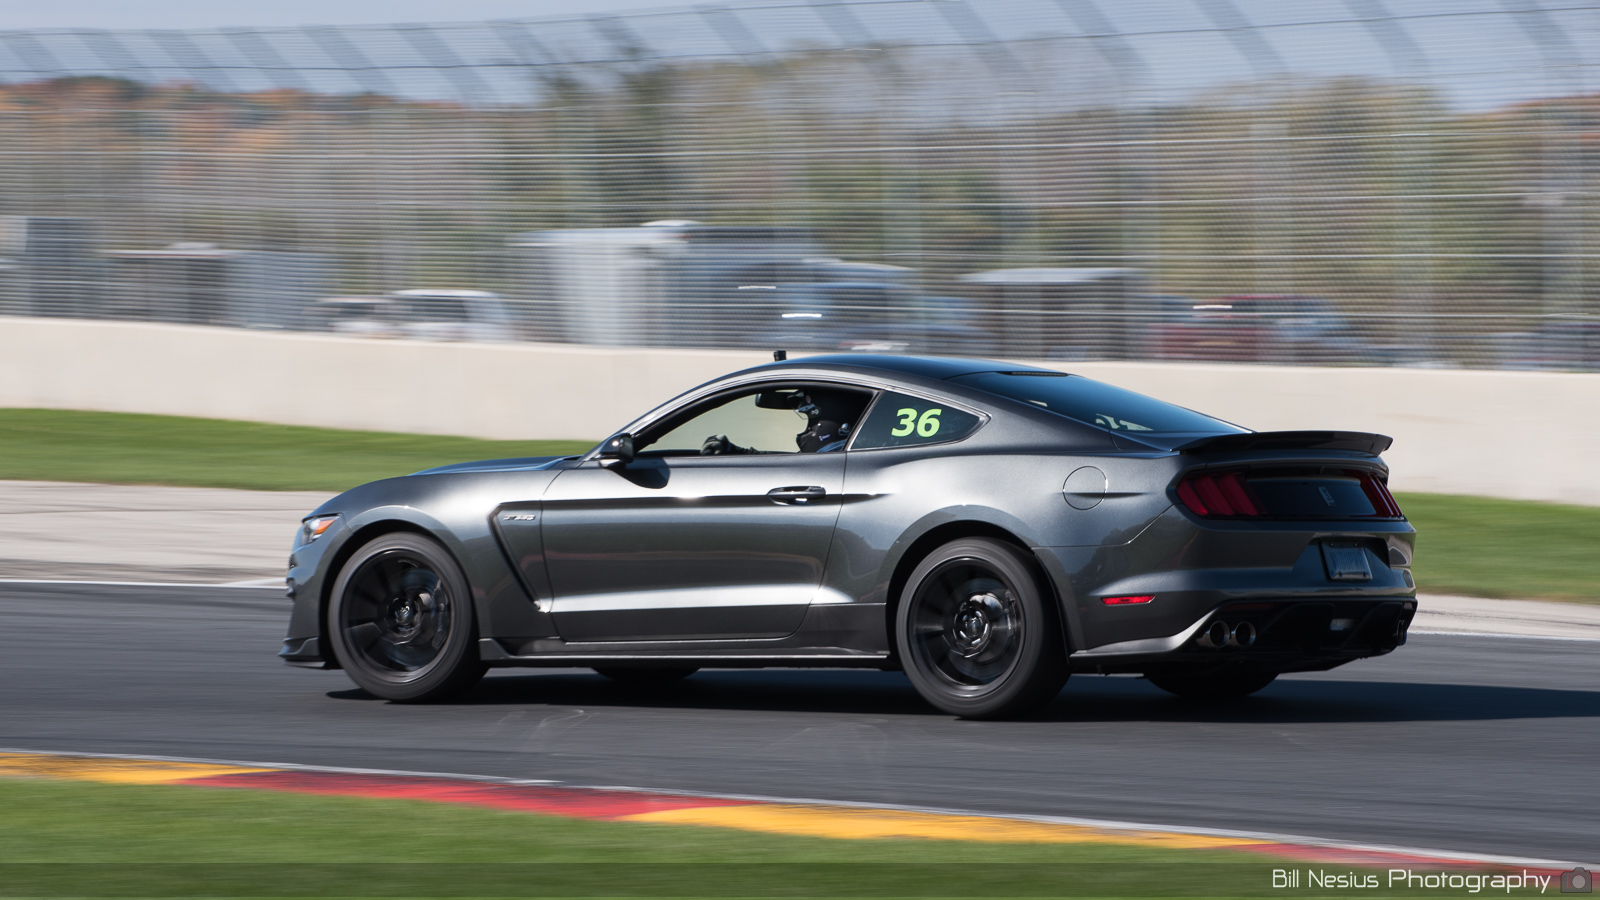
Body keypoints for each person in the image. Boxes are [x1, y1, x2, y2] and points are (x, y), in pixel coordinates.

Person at [700, 389, 866, 455]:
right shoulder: (838, 457)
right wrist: (737, 452)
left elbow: (784, 471)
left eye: (812, 421)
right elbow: (785, 463)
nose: (808, 429)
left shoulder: (834, 462)